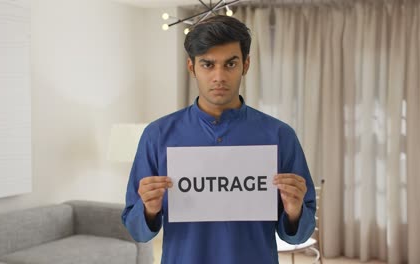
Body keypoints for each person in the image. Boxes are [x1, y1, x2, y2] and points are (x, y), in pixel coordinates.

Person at [122, 15, 316, 264]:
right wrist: (148, 209)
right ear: (192, 67)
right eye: (207, 64)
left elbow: (298, 235)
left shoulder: (279, 135)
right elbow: (136, 230)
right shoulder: (157, 135)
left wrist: (294, 211)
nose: (219, 76)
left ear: (246, 65)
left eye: (230, 64)